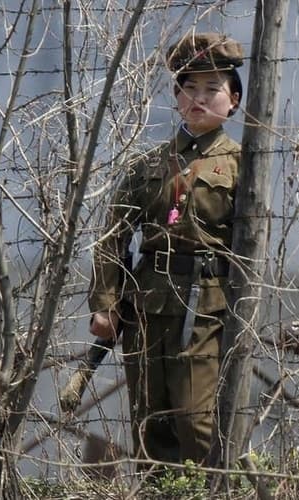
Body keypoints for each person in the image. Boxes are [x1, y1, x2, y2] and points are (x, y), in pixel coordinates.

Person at [88, 31, 244, 467]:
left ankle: (206, 494)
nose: (199, 98)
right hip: (147, 304)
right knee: (150, 420)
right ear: (176, 97)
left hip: (208, 307)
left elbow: (253, 244)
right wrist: (106, 303)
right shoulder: (150, 164)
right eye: (188, 88)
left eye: (212, 89)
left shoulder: (242, 164)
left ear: (232, 101)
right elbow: (113, 233)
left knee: (196, 421)